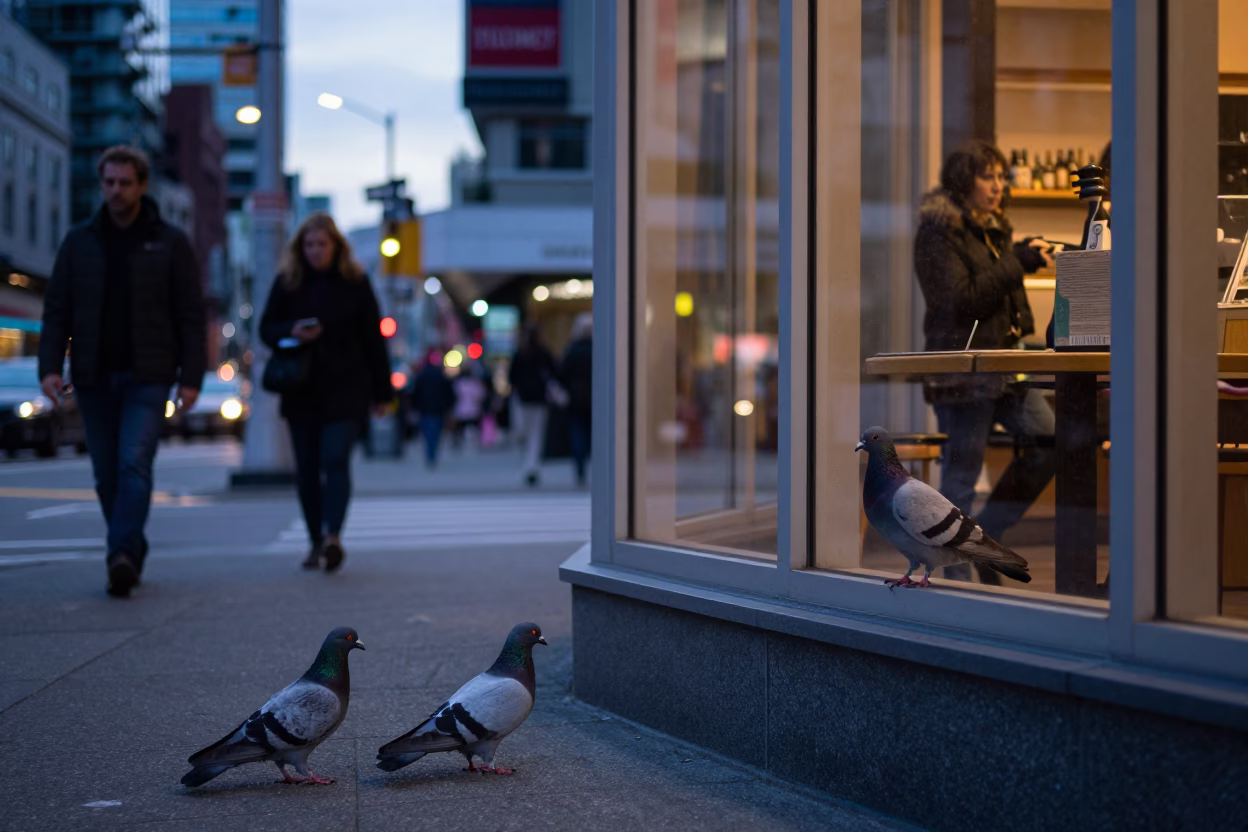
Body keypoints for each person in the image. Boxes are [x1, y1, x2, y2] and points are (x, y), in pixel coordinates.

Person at [37, 146, 205, 598]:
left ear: (142, 185)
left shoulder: (169, 242)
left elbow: (191, 313)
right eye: (109, 182)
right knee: (106, 474)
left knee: (134, 461)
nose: (116, 190)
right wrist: (50, 367)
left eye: (125, 182)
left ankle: (121, 555)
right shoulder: (79, 242)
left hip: (148, 375)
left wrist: (191, 377)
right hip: (92, 375)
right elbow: (57, 310)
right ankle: (128, 545)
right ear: (102, 185)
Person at [914, 140, 1056, 584]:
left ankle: (985, 541)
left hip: (1005, 368)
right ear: (963, 182)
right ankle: (957, 587)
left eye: (1000, 176)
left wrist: (1017, 257)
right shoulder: (939, 231)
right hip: (963, 371)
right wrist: (1017, 261)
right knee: (960, 477)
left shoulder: (994, 229)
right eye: (987, 176)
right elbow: (960, 301)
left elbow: (995, 296)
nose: (998, 185)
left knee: (1050, 442)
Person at [259, 213, 392, 573]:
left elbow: (374, 340)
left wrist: (383, 392)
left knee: (335, 459)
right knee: (307, 468)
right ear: (300, 248)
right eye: (310, 244)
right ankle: (315, 539)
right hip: (301, 388)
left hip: (346, 386)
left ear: (336, 246)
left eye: (322, 244)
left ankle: (333, 536)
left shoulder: (355, 281)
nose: (316, 251)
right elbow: (266, 329)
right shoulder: (288, 282)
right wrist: (293, 330)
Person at [508, 325, 558, 486]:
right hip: (539, 399)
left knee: (525, 433)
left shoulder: (520, 354)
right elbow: (555, 372)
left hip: (524, 399)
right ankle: (532, 465)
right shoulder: (543, 353)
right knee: (536, 435)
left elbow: (511, 378)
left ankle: (529, 465)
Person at [559, 312, 593, 487]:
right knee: (596, 436)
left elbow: (561, 374)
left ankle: (580, 469)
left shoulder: (571, 350)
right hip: (595, 400)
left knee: (578, 434)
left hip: (576, 398)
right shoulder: (599, 349)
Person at [409, 350, 455, 467]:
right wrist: (449, 406)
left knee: (427, 433)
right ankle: (432, 453)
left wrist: (415, 406)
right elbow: (449, 393)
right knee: (436, 432)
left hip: (425, 409)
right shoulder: (441, 375)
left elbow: (415, 393)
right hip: (438, 409)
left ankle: (430, 454)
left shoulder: (422, 375)